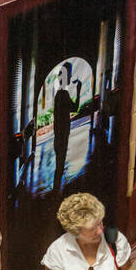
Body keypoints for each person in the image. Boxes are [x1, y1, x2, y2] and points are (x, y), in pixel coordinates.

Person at [52, 64, 83, 193]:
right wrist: (79, 90)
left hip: (58, 133)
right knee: (60, 163)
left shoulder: (59, 94)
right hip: (62, 133)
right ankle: (57, 191)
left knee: (59, 162)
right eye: (69, 74)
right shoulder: (63, 94)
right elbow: (75, 108)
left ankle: (56, 189)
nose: (70, 76)